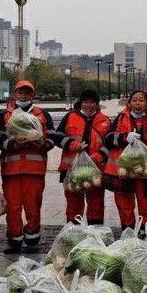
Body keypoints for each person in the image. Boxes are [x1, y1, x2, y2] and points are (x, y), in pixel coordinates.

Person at [0, 80, 55, 254]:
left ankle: (32, 240)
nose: (24, 96)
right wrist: (13, 144)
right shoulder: (5, 115)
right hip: (11, 170)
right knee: (13, 208)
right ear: (15, 94)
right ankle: (14, 240)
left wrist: (41, 143)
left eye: (27, 93)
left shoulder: (42, 115)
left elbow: (52, 138)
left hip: (34, 169)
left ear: (32, 95)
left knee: (33, 207)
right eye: (21, 92)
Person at [104, 90, 147, 232]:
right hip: (123, 171)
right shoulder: (120, 118)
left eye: (141, 100)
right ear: (129, 103)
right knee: (124, 204)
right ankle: (128, 233)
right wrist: (124, 137)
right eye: (135, 100)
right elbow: (107, 139)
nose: (138, 103)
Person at [54, 89, 110, 225]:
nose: (88, 105)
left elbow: (109, 144)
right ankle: (74, 231)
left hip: (96, 168)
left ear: (97, 104)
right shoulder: (70, 117)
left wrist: (99, 155)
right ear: (80, 102)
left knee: (96, 203)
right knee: (73, 203)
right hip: (71, 169)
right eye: (85, 102)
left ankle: (95, 231)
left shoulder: (105, 120)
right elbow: (57, 136)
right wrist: (72, 144)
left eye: (92, 102)